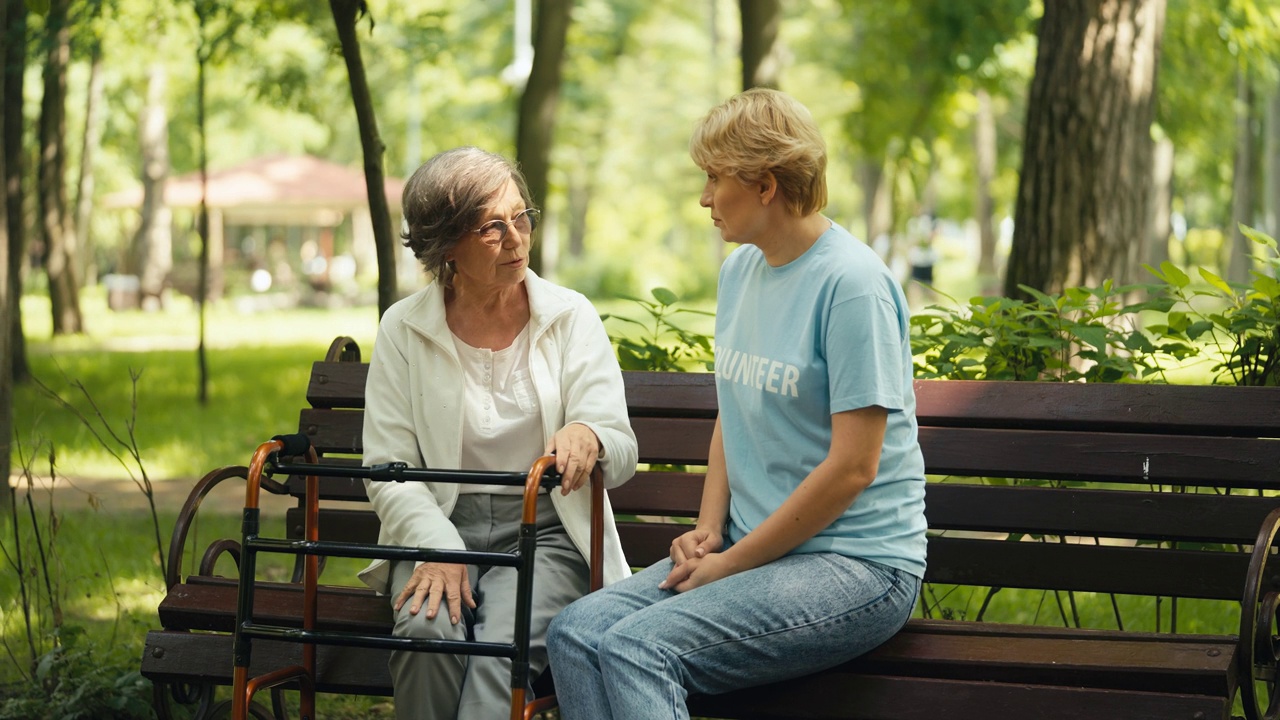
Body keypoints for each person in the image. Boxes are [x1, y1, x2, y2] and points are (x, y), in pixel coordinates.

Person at [547, 88, 927, 719]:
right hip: (755, 549)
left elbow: (855, 466)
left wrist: (728, 566)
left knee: (640, 649)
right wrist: (708, 531)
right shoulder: (741, 271)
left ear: (765, 184)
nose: (704, 198)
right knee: (577, 633)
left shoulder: (853, 286)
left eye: (714, 178)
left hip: (858, 566)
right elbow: (736, 408)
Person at [357, 146, 638, 720]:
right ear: (445, 247)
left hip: (546, 532)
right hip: (438, 522)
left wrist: (589, 432)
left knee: (495, 661)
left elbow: (621, 446)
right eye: (492, 227)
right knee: (426, 633)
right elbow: (389, 470)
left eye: (521, 216)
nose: (516, 238)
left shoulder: (569, 316)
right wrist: (438, 546)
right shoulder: (403, 328)